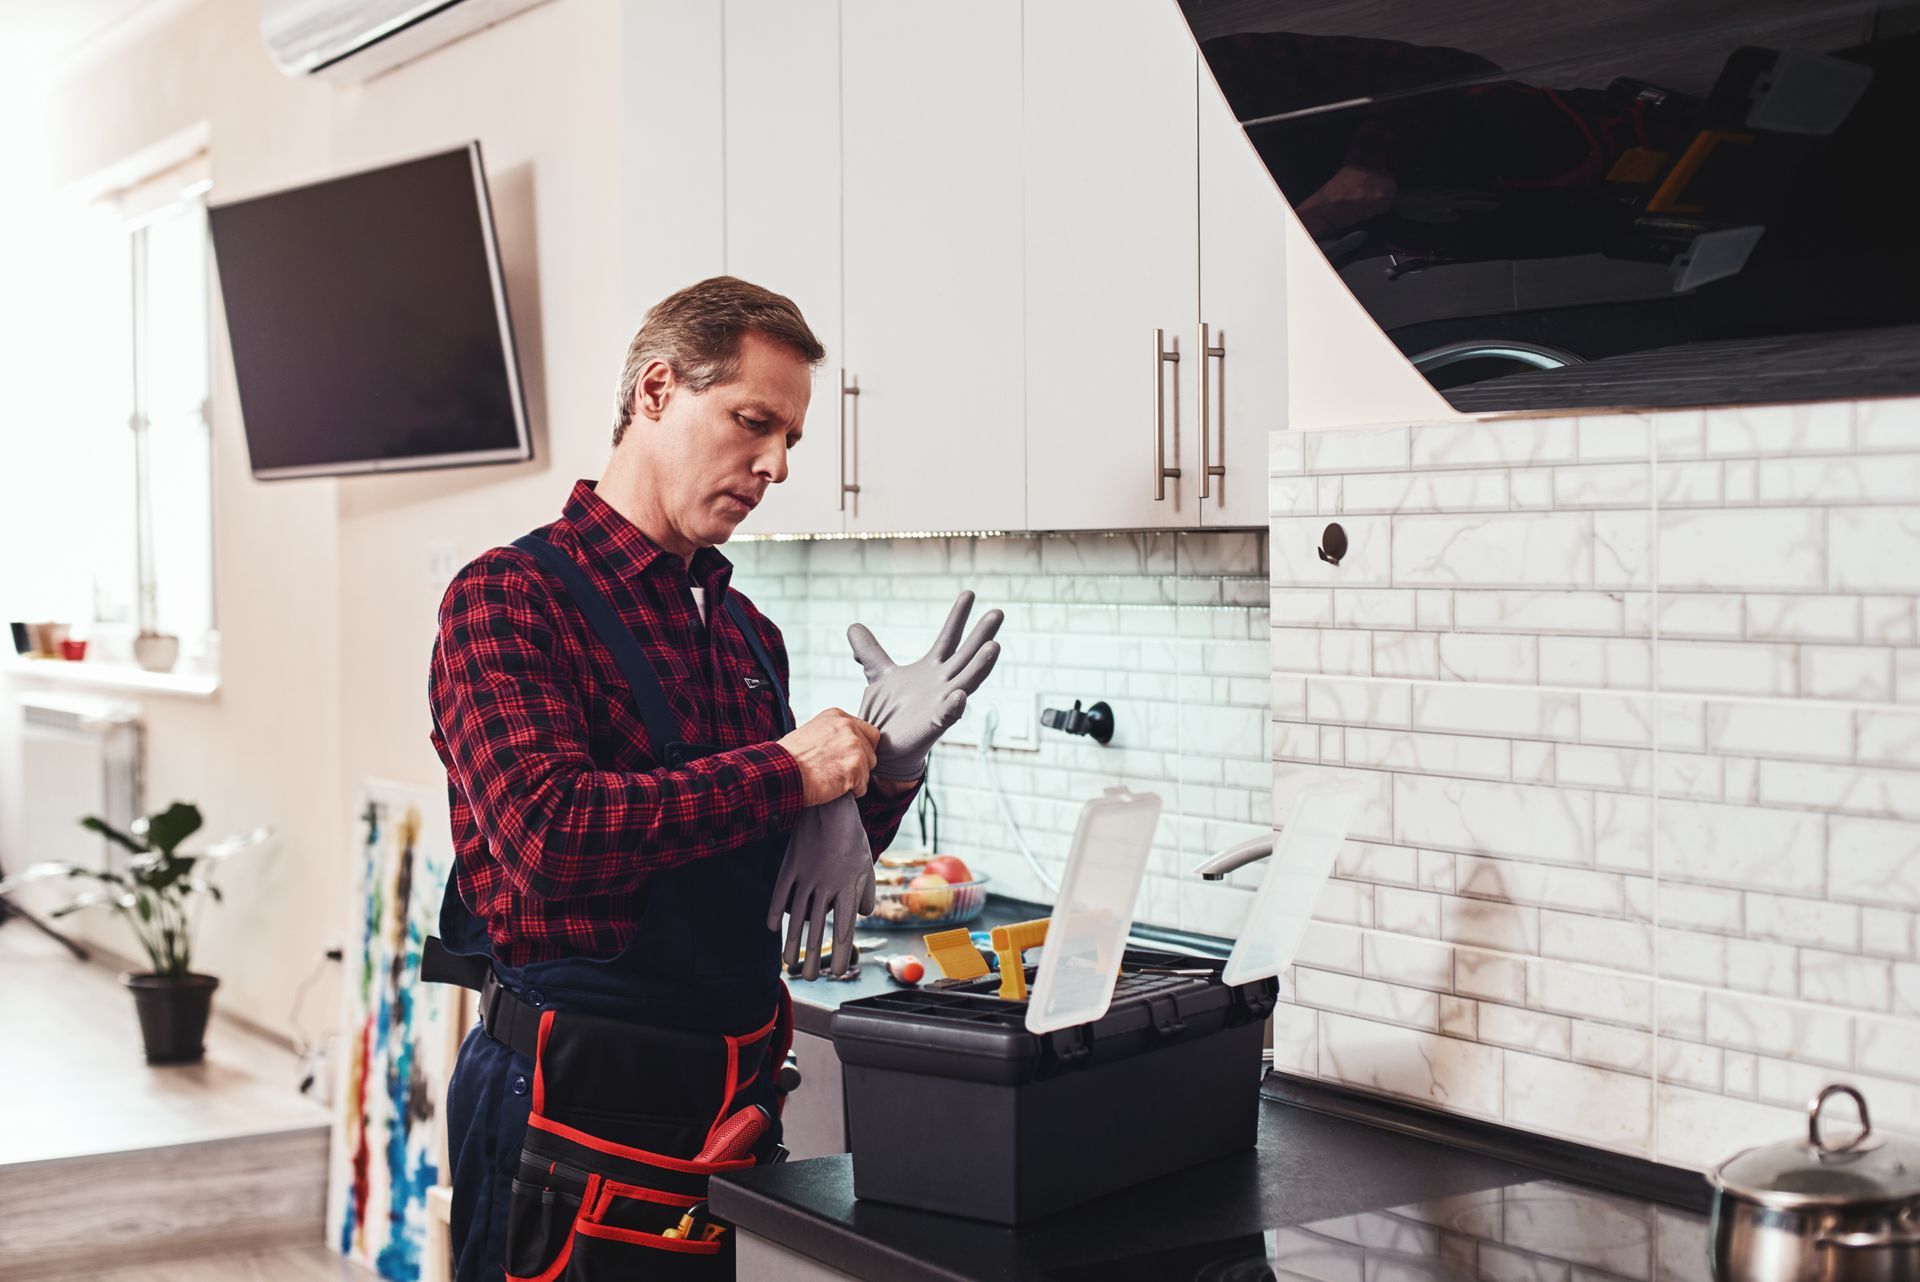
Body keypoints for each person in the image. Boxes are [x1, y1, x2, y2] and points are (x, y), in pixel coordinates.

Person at [424, 276, 999, 1280]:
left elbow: (773, 862)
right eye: (752, 422)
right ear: (655, 392)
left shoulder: (744, 634)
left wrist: (882, 774)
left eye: (789, 441)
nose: (774, 464)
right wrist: (789, 768)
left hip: (728, 1107)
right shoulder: (508, 598)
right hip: (567, 1107)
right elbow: (550, 835)